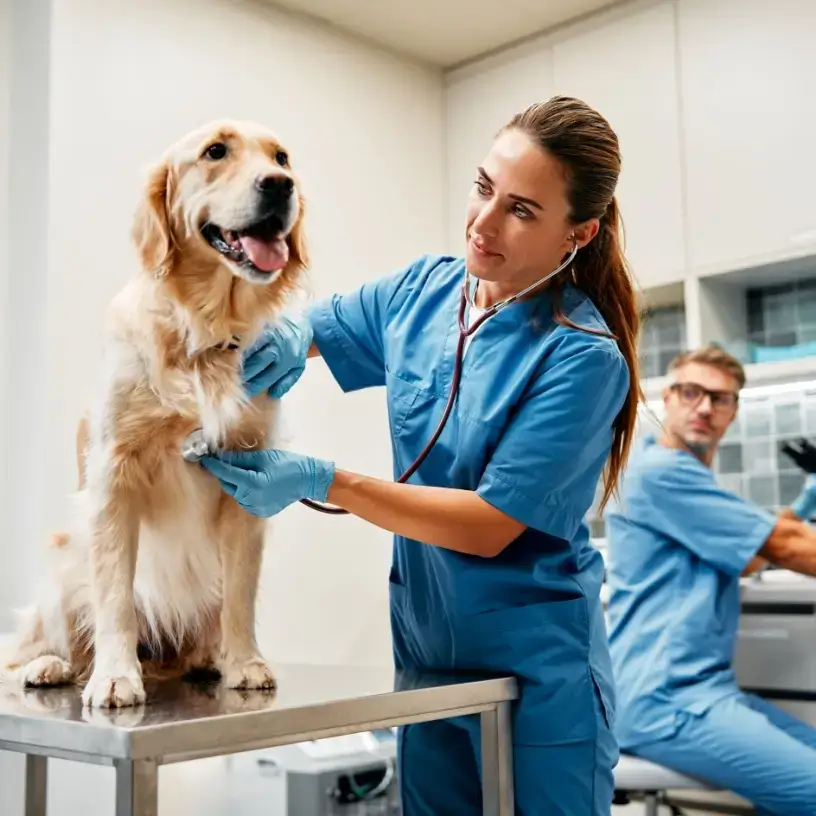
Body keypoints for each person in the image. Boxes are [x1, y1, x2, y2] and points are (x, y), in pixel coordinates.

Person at [201, 96, 641, 815]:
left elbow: (490, 523)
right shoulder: (423, 292)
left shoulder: (581, 357)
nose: (484, 222)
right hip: (431, 661)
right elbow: (312, 325)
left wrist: (327, 481)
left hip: (536, 680)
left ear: (579, 233)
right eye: (483, 187)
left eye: (522, 210)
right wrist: (273, 341)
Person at [605, 345, 816, 816]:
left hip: (702, 692)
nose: (704, 406)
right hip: (665, 701)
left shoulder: (675, 474)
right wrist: (793, 527)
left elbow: (747, 558)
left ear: (734, 410)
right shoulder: (661, 472)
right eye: (691, 392)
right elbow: (781, 546)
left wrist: (804, 504)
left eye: (719, 398)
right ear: (669, 397)